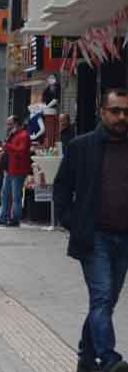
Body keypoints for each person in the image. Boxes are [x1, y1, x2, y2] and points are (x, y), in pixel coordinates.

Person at [53, 89, 128, 372]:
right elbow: (61, 188)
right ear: (102, 111)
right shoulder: (81, 146)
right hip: (94, 237)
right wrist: (73, 222)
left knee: (107, 301)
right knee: (102, 297)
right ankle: (109, 360)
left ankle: (86, 355)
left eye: (126, 111)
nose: (122, 117)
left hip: (124, 237)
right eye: (115, 111)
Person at [0, 115, 31, 227]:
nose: (8, 126)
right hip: (10, 169)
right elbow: (9, 147)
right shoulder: (13, 134)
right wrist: (3, 150)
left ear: (16, 124)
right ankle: (4, 217)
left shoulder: (24, 135)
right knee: (5, 194)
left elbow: (21, 151)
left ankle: (15, 219)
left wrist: (7, 147)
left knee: (16, 196)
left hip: (18, 170)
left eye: (10, 124)